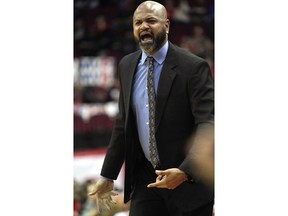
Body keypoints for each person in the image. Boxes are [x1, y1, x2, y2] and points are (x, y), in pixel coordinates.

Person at [89, 1, 214, 215]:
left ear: (167, 25)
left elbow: (207, 123)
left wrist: (185, 171)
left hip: (187, 183)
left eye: (151, 21)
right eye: (138, 22)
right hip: (146, 181)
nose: (143, 26)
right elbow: (123, 124)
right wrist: (108, 175)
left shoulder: (193, 67)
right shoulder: (126, 65)